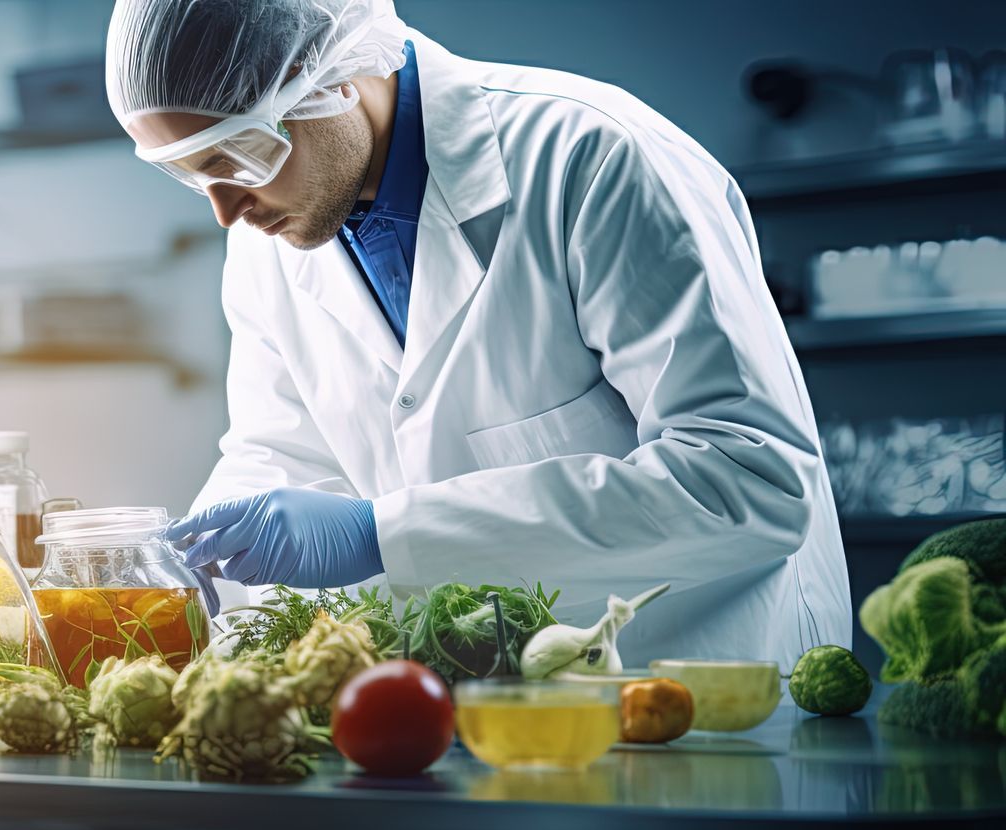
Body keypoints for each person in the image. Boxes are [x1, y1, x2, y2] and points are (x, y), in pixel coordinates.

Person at [107, 0, 850, 667]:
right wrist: (202, 570)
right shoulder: (268, 239)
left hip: (699, 690)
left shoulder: (591, 157)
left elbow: (750, 481)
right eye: (191, 175)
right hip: (481, 710)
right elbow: (285, 455)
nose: (225, 211)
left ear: (323, 76)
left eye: (238, 158)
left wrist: (382, 535)